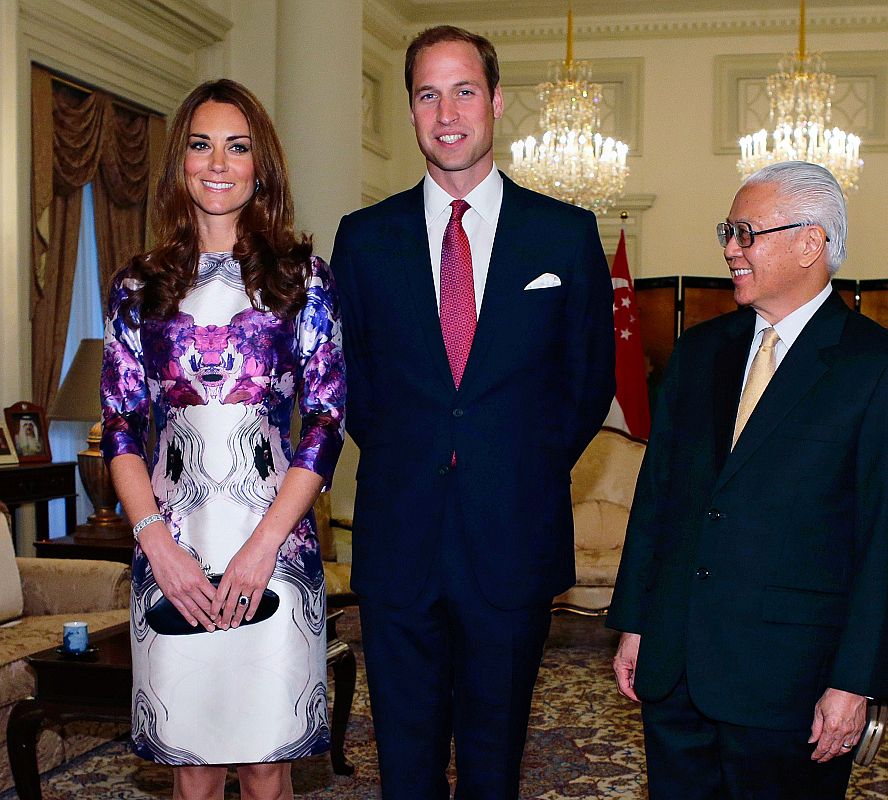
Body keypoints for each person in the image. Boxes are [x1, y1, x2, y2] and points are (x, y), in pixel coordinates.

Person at [331, 25, 614, 800]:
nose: (446, 111)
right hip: (399, 539)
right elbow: (349, 380)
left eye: (463, 91)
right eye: (428, 94)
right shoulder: (363, 239)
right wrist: (416, 453)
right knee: (406, 766)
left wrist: (510, 462)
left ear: (494, 102)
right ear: (410, 110)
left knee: (495, 766)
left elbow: (589, 383)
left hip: (512, 538)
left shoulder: (564, 233)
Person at [608, 160, 888, 799]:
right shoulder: (701, 349)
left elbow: (883, 541)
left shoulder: (873, 366)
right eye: (726, 231)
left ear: (809, 242)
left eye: (746, 232)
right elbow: (659, 498)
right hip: (676, 669)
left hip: (792, 685)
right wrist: (636, 622)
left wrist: (855, 683)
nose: (730, 249)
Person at [100, 79, 345, 800]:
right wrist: (156, 545)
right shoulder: (138, 288)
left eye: (237, 147)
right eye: (201, 145)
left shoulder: (303, 280)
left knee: (267, 764)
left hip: (275, 549)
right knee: (193, 764)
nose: (218, 162)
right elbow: (119, 423)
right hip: (170, 548)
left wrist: (265, 544)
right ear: (180, 163)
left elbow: (327, 420)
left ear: (259, 166)